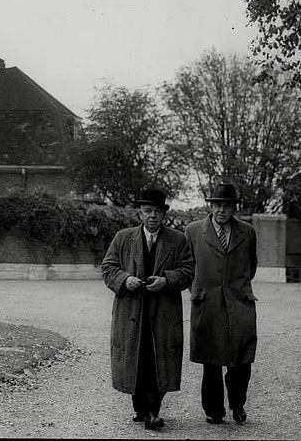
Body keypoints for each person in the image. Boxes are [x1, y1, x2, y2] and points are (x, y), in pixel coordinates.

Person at [101, 188, 194, 430]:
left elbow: (188, 271)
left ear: (164, 214)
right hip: (132, 312)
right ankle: (141, 408)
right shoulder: (123, 238)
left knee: (159, 360)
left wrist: (167, 280)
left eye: (157, 211)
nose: (152, 216)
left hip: (164, 313)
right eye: (147, 211)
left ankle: (153, 411)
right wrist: (124, 280)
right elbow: (108, 267)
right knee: (137, 358)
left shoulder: (178, 239)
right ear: (139, 214)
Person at [184, 182, 258, 425]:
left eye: (226, 206)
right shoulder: (194, 231)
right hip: (207, 303)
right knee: (211, 361)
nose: (221, 211)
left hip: (239, 302)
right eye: (217, 205)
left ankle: (238, 404)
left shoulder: (247, 232)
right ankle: (213, 410)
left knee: (241, 358)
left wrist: (237, 288)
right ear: (211, 206)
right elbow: (188, 266)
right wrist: (198, 290)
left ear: (233, 208)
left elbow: (251, 266)